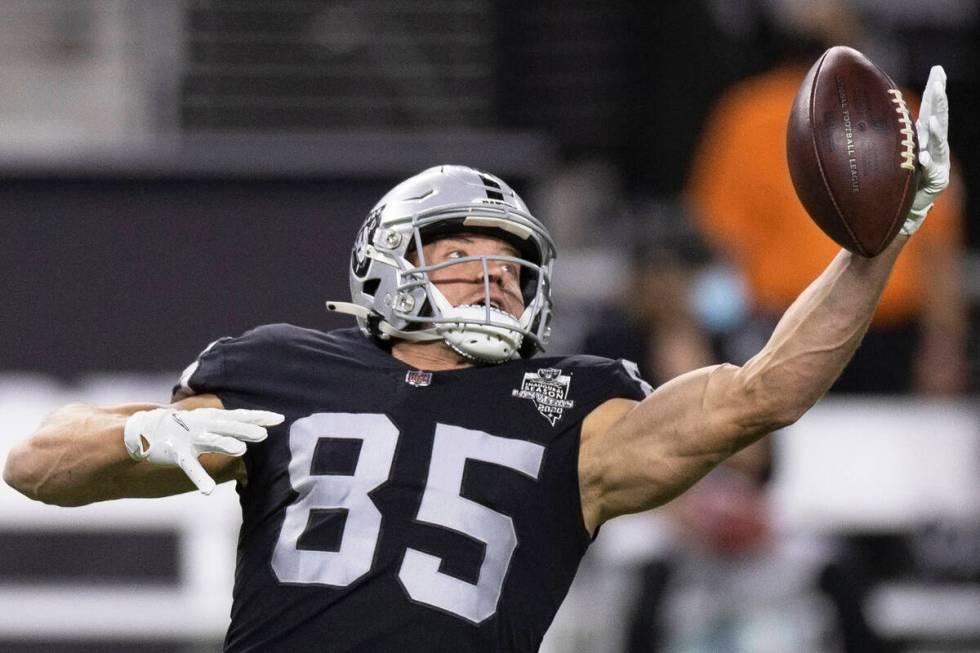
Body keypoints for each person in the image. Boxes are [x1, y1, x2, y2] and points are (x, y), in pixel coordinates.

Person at [2, 65, 951, 652]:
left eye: (512, 262)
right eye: (461, 256)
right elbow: (32, 463)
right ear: (387, 265)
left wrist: (874, 248)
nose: (495, 279)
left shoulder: (572, 405)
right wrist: (138, 436)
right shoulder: (281, 369)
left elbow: (760, 394)